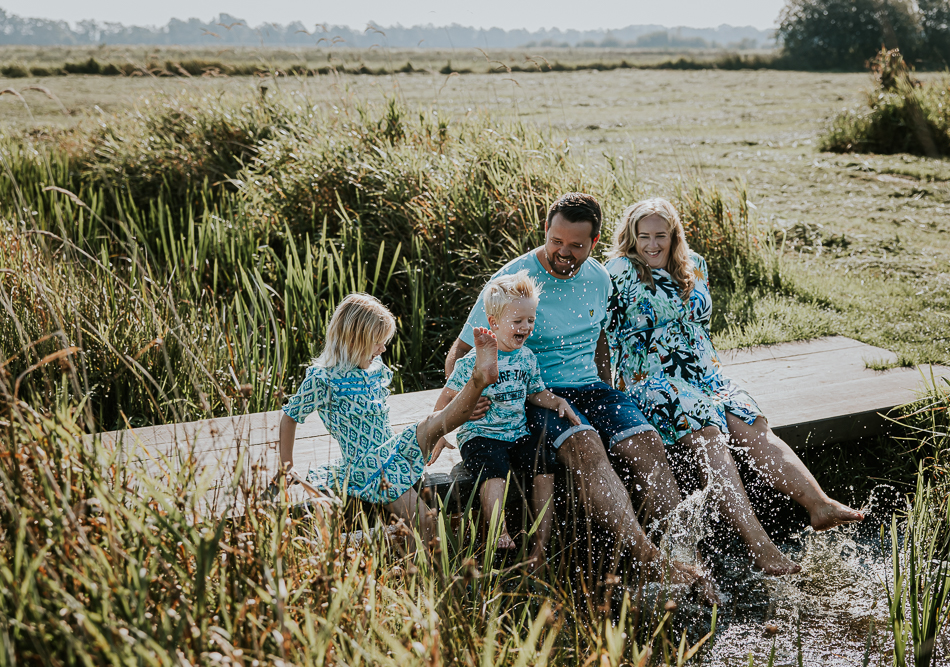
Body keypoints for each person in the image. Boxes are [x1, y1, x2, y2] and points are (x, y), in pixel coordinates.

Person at [444, 193, 705, 590]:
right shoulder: (512, 282)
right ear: (546, 230)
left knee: (648, 442)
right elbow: (460, 353)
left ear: (595, 242)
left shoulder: (599, 278)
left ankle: (688, 557)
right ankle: (648, 558)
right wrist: (468, 401)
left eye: (576, 246)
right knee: (585, 446)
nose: (563, 252)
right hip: (536, 392)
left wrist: (606, 387)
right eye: (556, 241)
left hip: (591, 387)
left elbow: (598, 338)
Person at [604, 197, 864, 575]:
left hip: (706, 376)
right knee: (710, 433)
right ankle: (761, 548)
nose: (652, 245)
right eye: (643, 236)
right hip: (653, 380)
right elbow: (600, 330)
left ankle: (819, 504)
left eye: (660, 235)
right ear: (631, 237)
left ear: (674, 235)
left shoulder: (695, 266)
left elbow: (697, 326)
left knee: (751, 422)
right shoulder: (620, 271)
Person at [277, 293, 500, 552]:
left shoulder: (374, 367)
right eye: (377, 343)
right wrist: (287, 466)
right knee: (425, 522)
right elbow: (290, 416)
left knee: (430, 425)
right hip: (368, 467)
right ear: (354, 339)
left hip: (392, 450)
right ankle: (478, 380)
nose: (383, 349)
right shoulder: (323, 379)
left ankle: (476, 382)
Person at [433, 270, 575, 570]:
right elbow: (448, 396)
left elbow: (537, 393)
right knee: (493, 468)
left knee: (544, 462)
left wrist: (558, 401)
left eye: (530, 321)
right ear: (494, 323)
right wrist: (439, 431)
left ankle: (540, 539)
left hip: (516, 433)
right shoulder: (473, 360)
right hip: (481, 434)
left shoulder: (527, 358)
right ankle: (499, 531)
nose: (526, 327)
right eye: (518, 321)